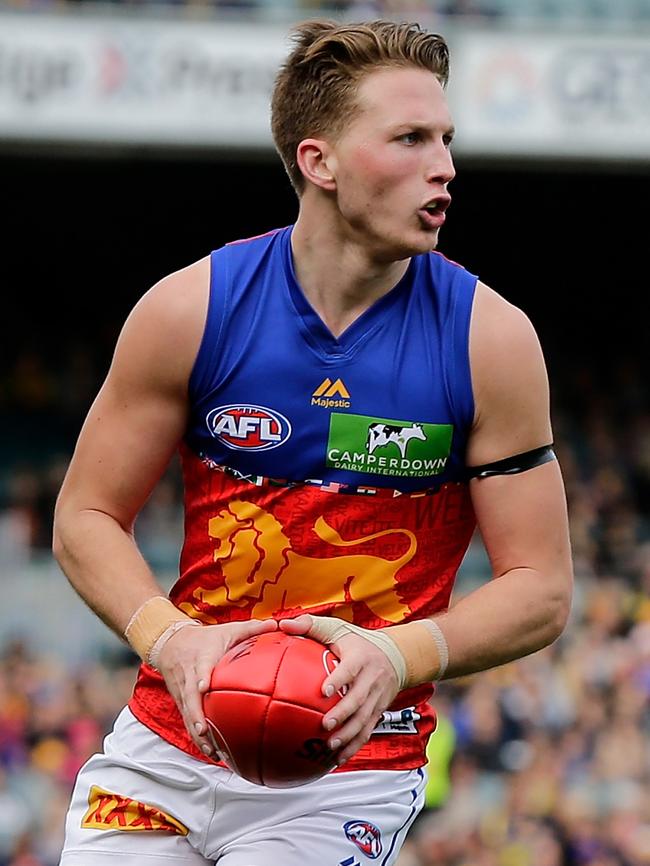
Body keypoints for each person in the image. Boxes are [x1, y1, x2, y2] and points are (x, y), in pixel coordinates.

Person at [52, 18, 573, 866]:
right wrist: (170, 639)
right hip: (165, 749)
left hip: (352, 773)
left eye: (446, 139)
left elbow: (542, 588)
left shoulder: (492, 339)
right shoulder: (190, 311)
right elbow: (84, 516)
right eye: (410, 139)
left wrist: (397, 654)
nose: (444, 166)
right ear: (318, 161)